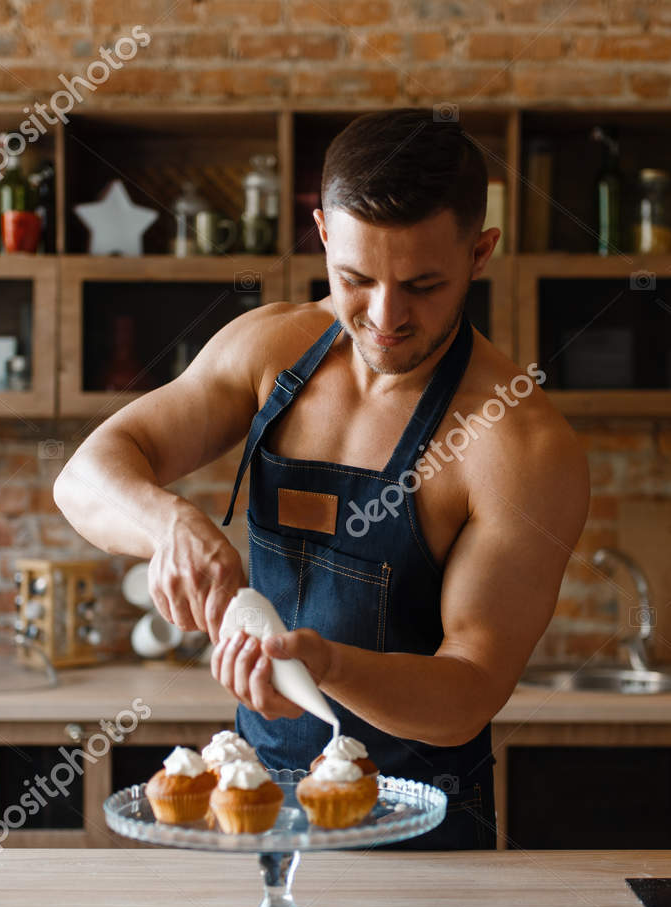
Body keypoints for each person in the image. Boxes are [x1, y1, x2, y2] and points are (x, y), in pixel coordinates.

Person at [54, 108, 589, 848]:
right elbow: (84, 477)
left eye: (423, 284)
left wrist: (327, 663)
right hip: (254, 806)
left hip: (421, 836)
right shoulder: (270, 350)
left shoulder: (520, 444)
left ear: (481, 253)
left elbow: (468, 689)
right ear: (323, 233)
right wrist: (169, 524)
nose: (385, 317)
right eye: (356, 279)